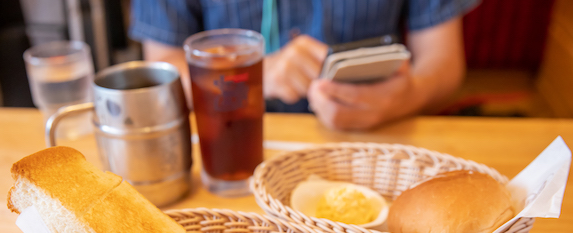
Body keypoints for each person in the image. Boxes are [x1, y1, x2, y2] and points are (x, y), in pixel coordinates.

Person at [129, 0, 480, 130]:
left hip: (369, 141)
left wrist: (410, 95)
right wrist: (254, 75)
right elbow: (163, 72)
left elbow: (444, 63)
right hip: (231, 143)